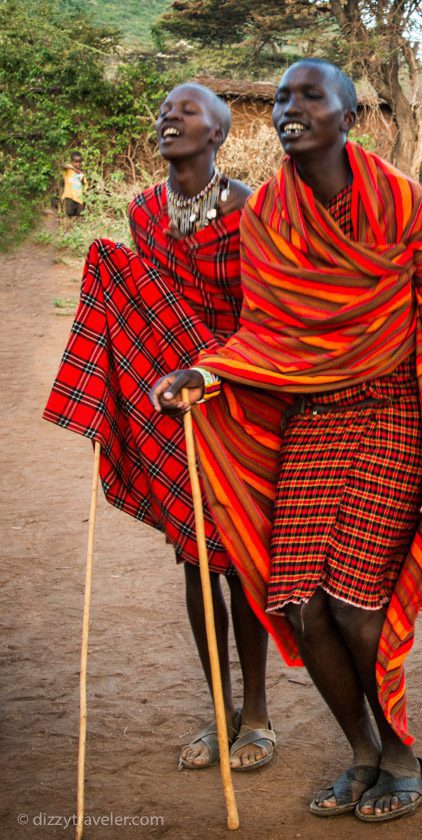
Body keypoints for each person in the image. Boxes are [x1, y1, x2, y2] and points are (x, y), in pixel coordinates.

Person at [151, 59, 422, 822]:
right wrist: (202, 370)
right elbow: (268, 334)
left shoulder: (402, 205)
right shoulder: (267, 214)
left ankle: (401, 755)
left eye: (310, 96)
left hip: (393, 413)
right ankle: (360, 752)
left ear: (347, 116)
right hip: (313, 421)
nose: (290, 109)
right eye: (284, 99)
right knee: (296, 602)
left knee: (357, 607)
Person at [44, 83, 279, 772]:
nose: (167, 120)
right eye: (163, 113)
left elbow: (263, 320)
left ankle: (258, 715)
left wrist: (210, 372)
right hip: (169, 403)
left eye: (187, 113)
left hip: (238, 402)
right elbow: (145, 299)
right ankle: (217, 708)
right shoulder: (143, 210)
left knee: (237, 562)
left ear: (218, 135)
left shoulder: (252, 210)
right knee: (193, 554)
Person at [61, 151, 88, 217]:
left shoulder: (81, 174)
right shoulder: (68, 171)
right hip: (69, 196)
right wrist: (73, 168)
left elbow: (85, 185)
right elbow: (62, 165)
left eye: (79, 162)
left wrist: (84, 193)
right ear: (72, 162)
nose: (78, 164)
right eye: (75, 162)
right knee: (69, 212)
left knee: (80, 215)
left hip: (79, 199)